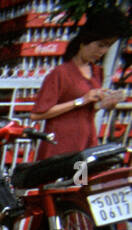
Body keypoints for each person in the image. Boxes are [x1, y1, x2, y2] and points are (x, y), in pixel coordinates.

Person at [29, 9, 127, 161]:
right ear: (85, 41)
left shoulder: (97, 72)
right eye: (100, 45)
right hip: (60, 146)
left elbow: (87, 110)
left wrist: (105, 104)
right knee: (58, 184)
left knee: (80, 182)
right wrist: (81, 100)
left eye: (108, 46)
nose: (103, 51)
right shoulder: (61, 73)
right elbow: (37, 114)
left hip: (85, 143)